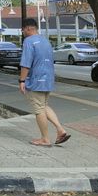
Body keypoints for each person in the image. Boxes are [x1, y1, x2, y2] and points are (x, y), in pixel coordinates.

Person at [19, 18, 71, 147]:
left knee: (39, 110)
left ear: (28, 28)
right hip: (48, 79)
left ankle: (45, 139)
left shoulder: (28, 41)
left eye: (23, 30)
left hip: (36, 80)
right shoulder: (45, 41)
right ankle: (60, 129)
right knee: (44, 105)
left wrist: (22, 80)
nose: (22, 32)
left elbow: (26, 63)